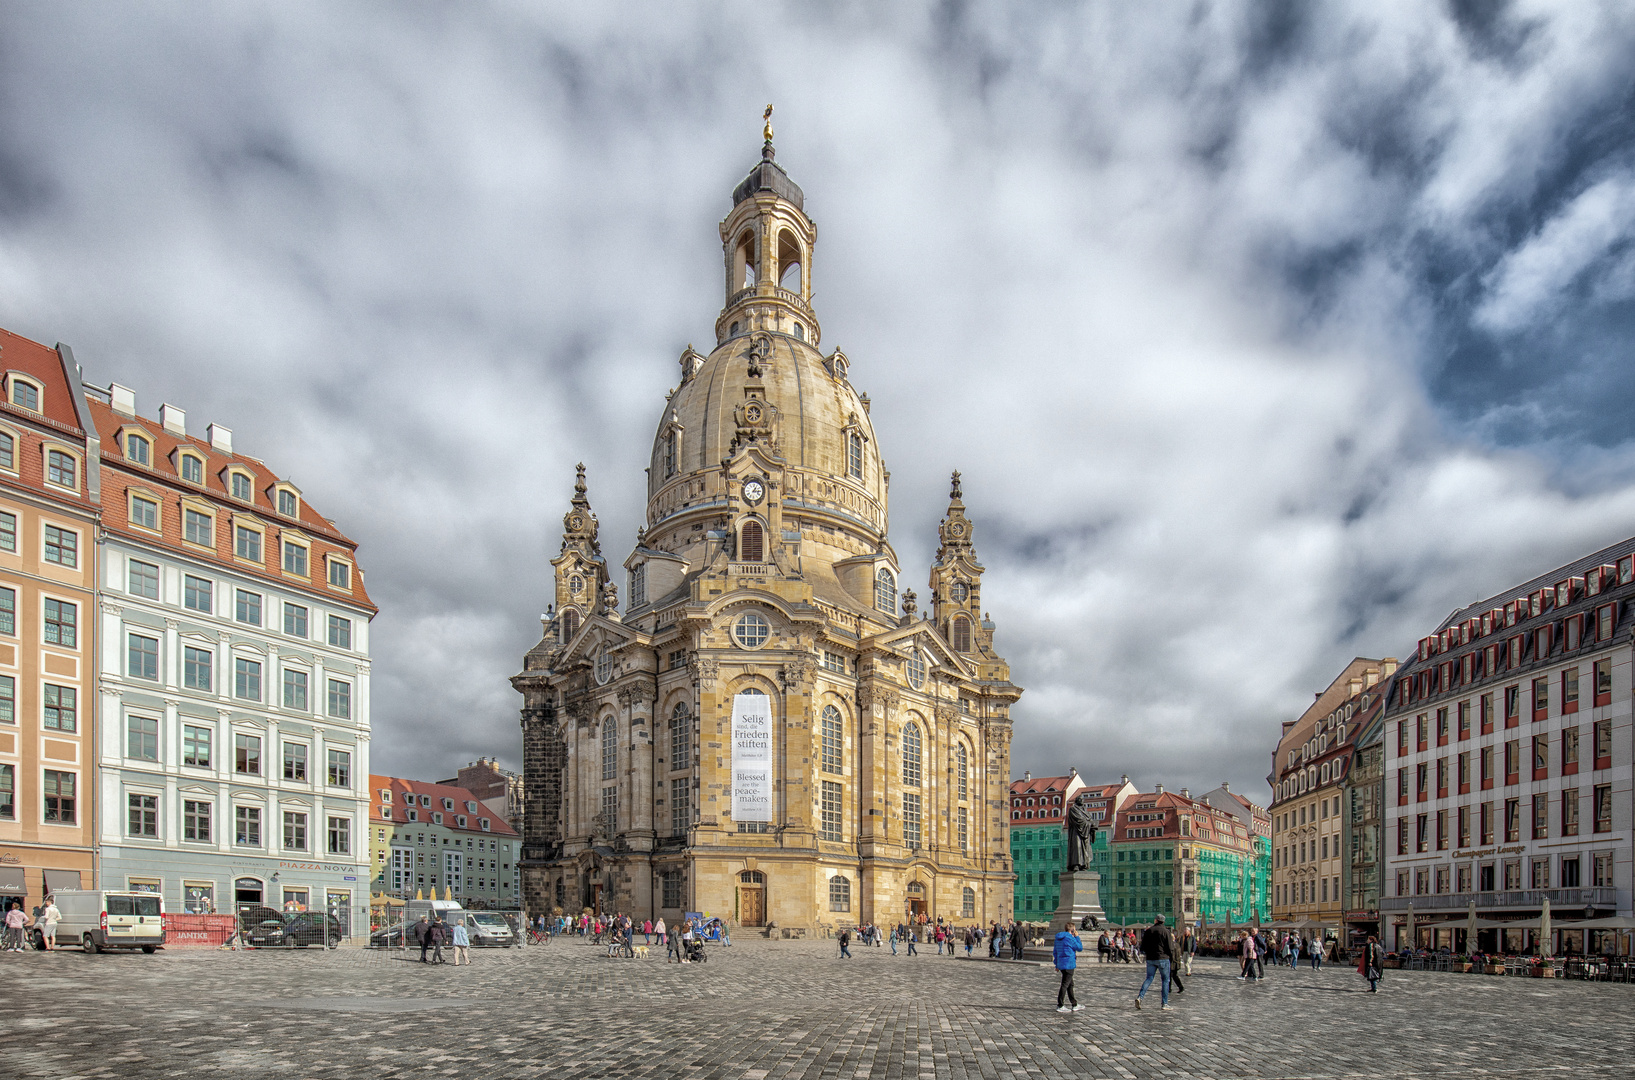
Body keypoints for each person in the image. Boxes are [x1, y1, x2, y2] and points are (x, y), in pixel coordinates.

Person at [1135, 915, 1177, 1010]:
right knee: (1165, 980)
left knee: (1149, 978)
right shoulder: (1166, 932)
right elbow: (1170, 947)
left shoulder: (1148, 931)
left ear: (1155, 920)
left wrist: (1146, 953)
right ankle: (1164, 1003)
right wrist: (1171, 958)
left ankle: (1140, 997)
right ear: (1163, 922)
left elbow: (1143, 946)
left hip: (1150, 958)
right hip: (1163, 958)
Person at [1053, 922, 1083, 1013]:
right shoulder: (1070, 938)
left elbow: (1055, 952)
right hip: (1069, 963)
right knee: (1065, 984)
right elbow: (1079, 948)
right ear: (1072, 930)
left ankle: (1074, 1004)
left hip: (1062, 964)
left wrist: (1057, 964)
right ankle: (1060, 1005)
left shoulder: (1058, 938)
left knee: (1070, 984)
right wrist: (1077, 937)